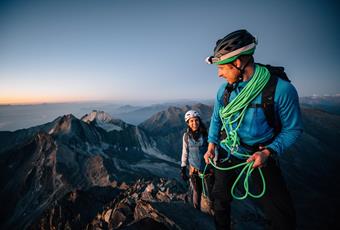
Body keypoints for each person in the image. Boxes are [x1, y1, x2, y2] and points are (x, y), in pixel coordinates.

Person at [203, 29, 303, 229]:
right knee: (219, 200)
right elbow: (217, 118)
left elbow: (293, 129)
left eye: (222, 67)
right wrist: (212, 144)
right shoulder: (224, 91)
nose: (219, 73)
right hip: (228, 151)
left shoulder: (281, 90)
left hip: (259, 155)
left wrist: (268, 152)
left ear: (238, 63)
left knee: (283, 216)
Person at [180, 110, 210, 210]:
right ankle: (197, 210)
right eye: (191, 121)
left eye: (196, 120)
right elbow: (185, 152)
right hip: (194, 170)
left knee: (209, 191)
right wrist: (183, 167)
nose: (194, 123)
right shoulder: (186, 137)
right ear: (188, 123)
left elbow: (212, 149)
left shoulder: (206, 134)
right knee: (197, 191)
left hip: (207, 169)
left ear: (199, 121)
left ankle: (211, 210)